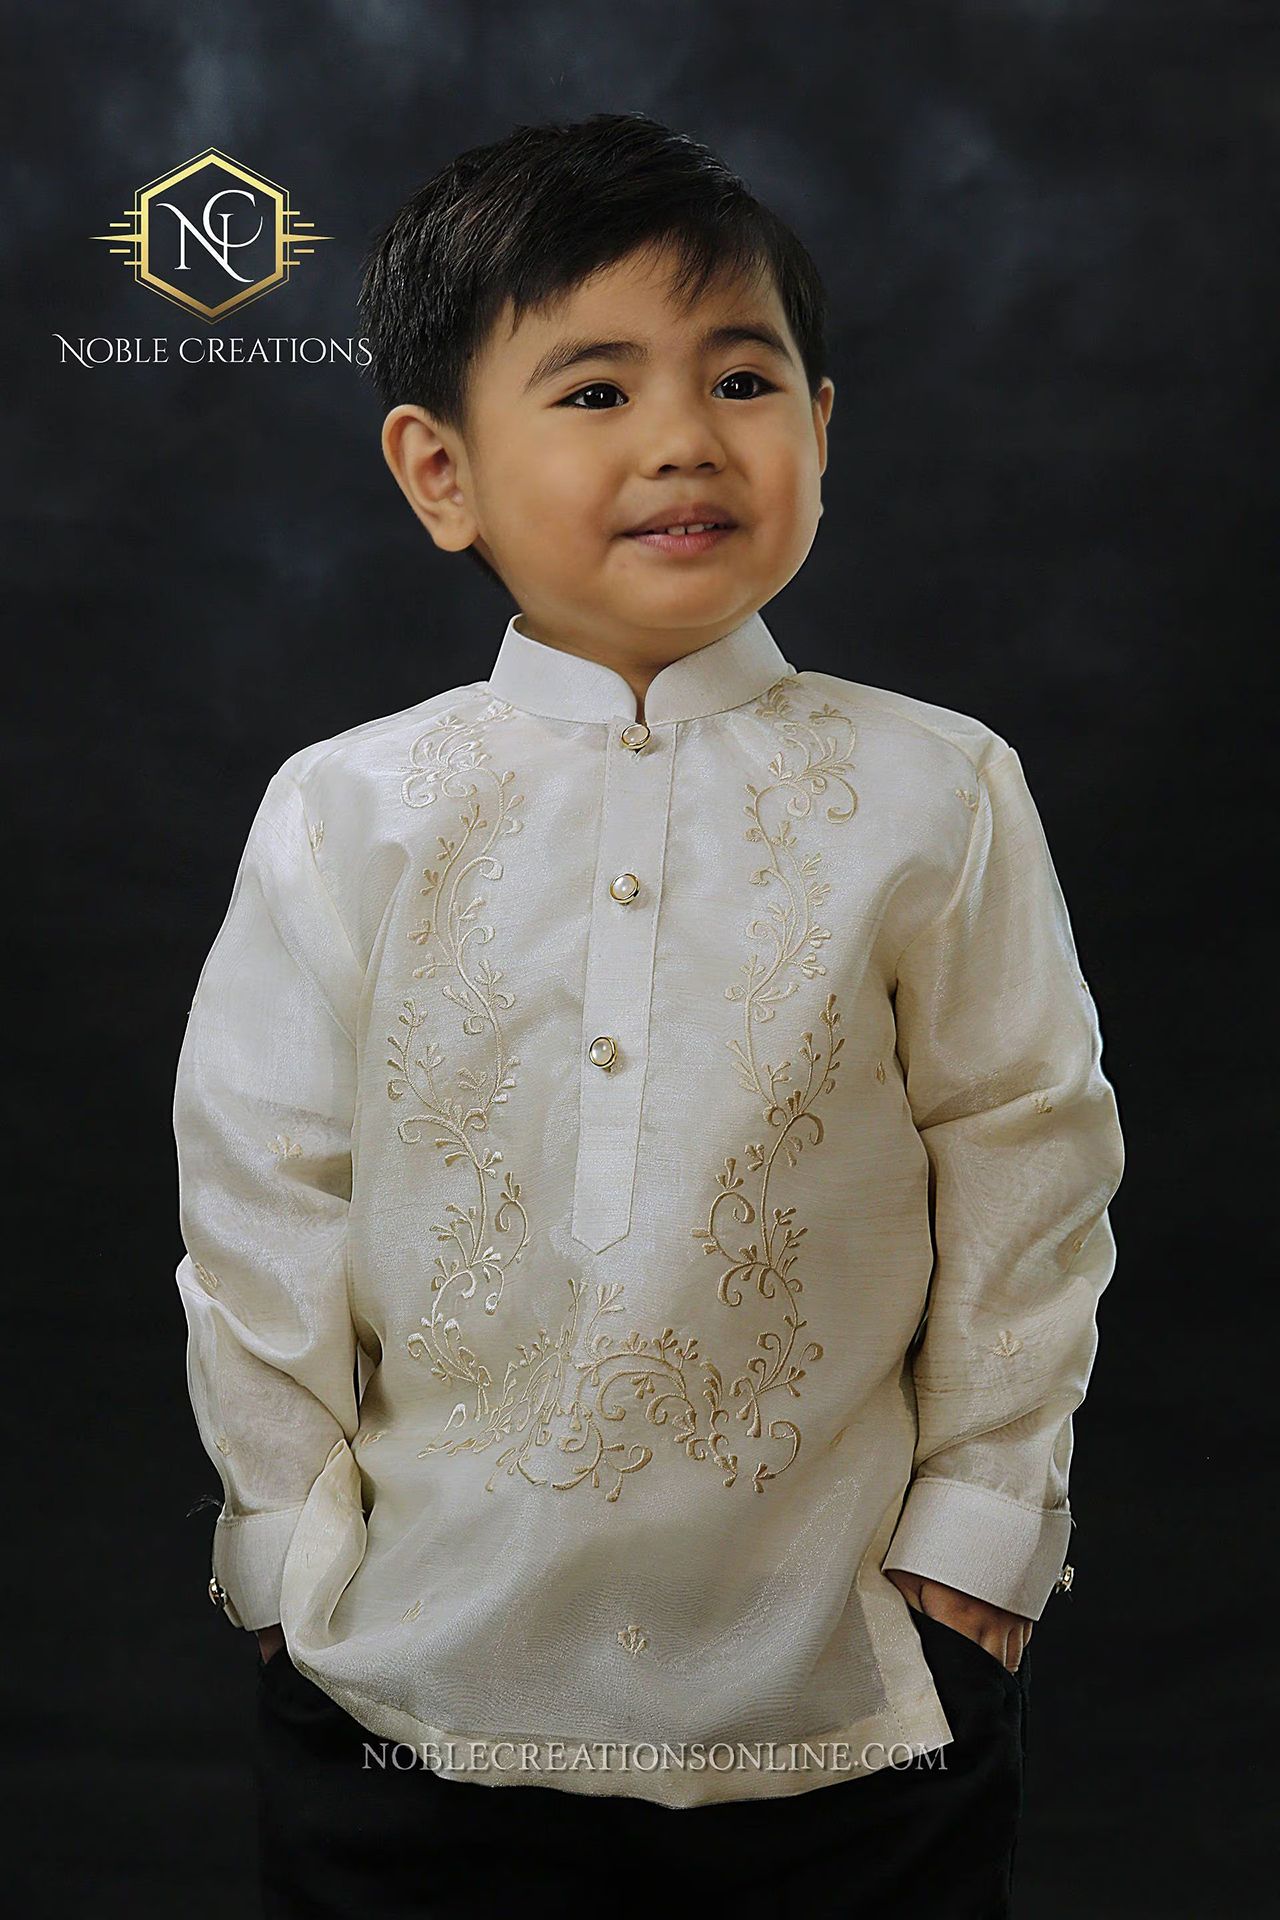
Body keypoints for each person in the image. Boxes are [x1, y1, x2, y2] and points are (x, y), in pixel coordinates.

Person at [172, 111, 1125, 1918]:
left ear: (821, 433)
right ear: (438, 471)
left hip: (848, 1692)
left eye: (744, 377)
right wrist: (291, 1552)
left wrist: (986, 1527)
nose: (685, 439)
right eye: (595, 391)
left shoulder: (937, 791)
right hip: (415, 1687)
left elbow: (1031, 1156)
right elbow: (258, 1195)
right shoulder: (353, 810)